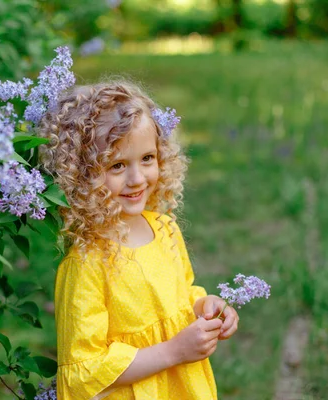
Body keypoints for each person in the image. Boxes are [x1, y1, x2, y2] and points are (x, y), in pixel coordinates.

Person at [39, 81, 239, 400]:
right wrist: (174, 351)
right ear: (81, 173)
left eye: (147, 158)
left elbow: (179, 294)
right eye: (117, 165)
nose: (137, 179)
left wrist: (204, 306)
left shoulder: (164, 228)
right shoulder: (86, 264)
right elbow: (83, 375)